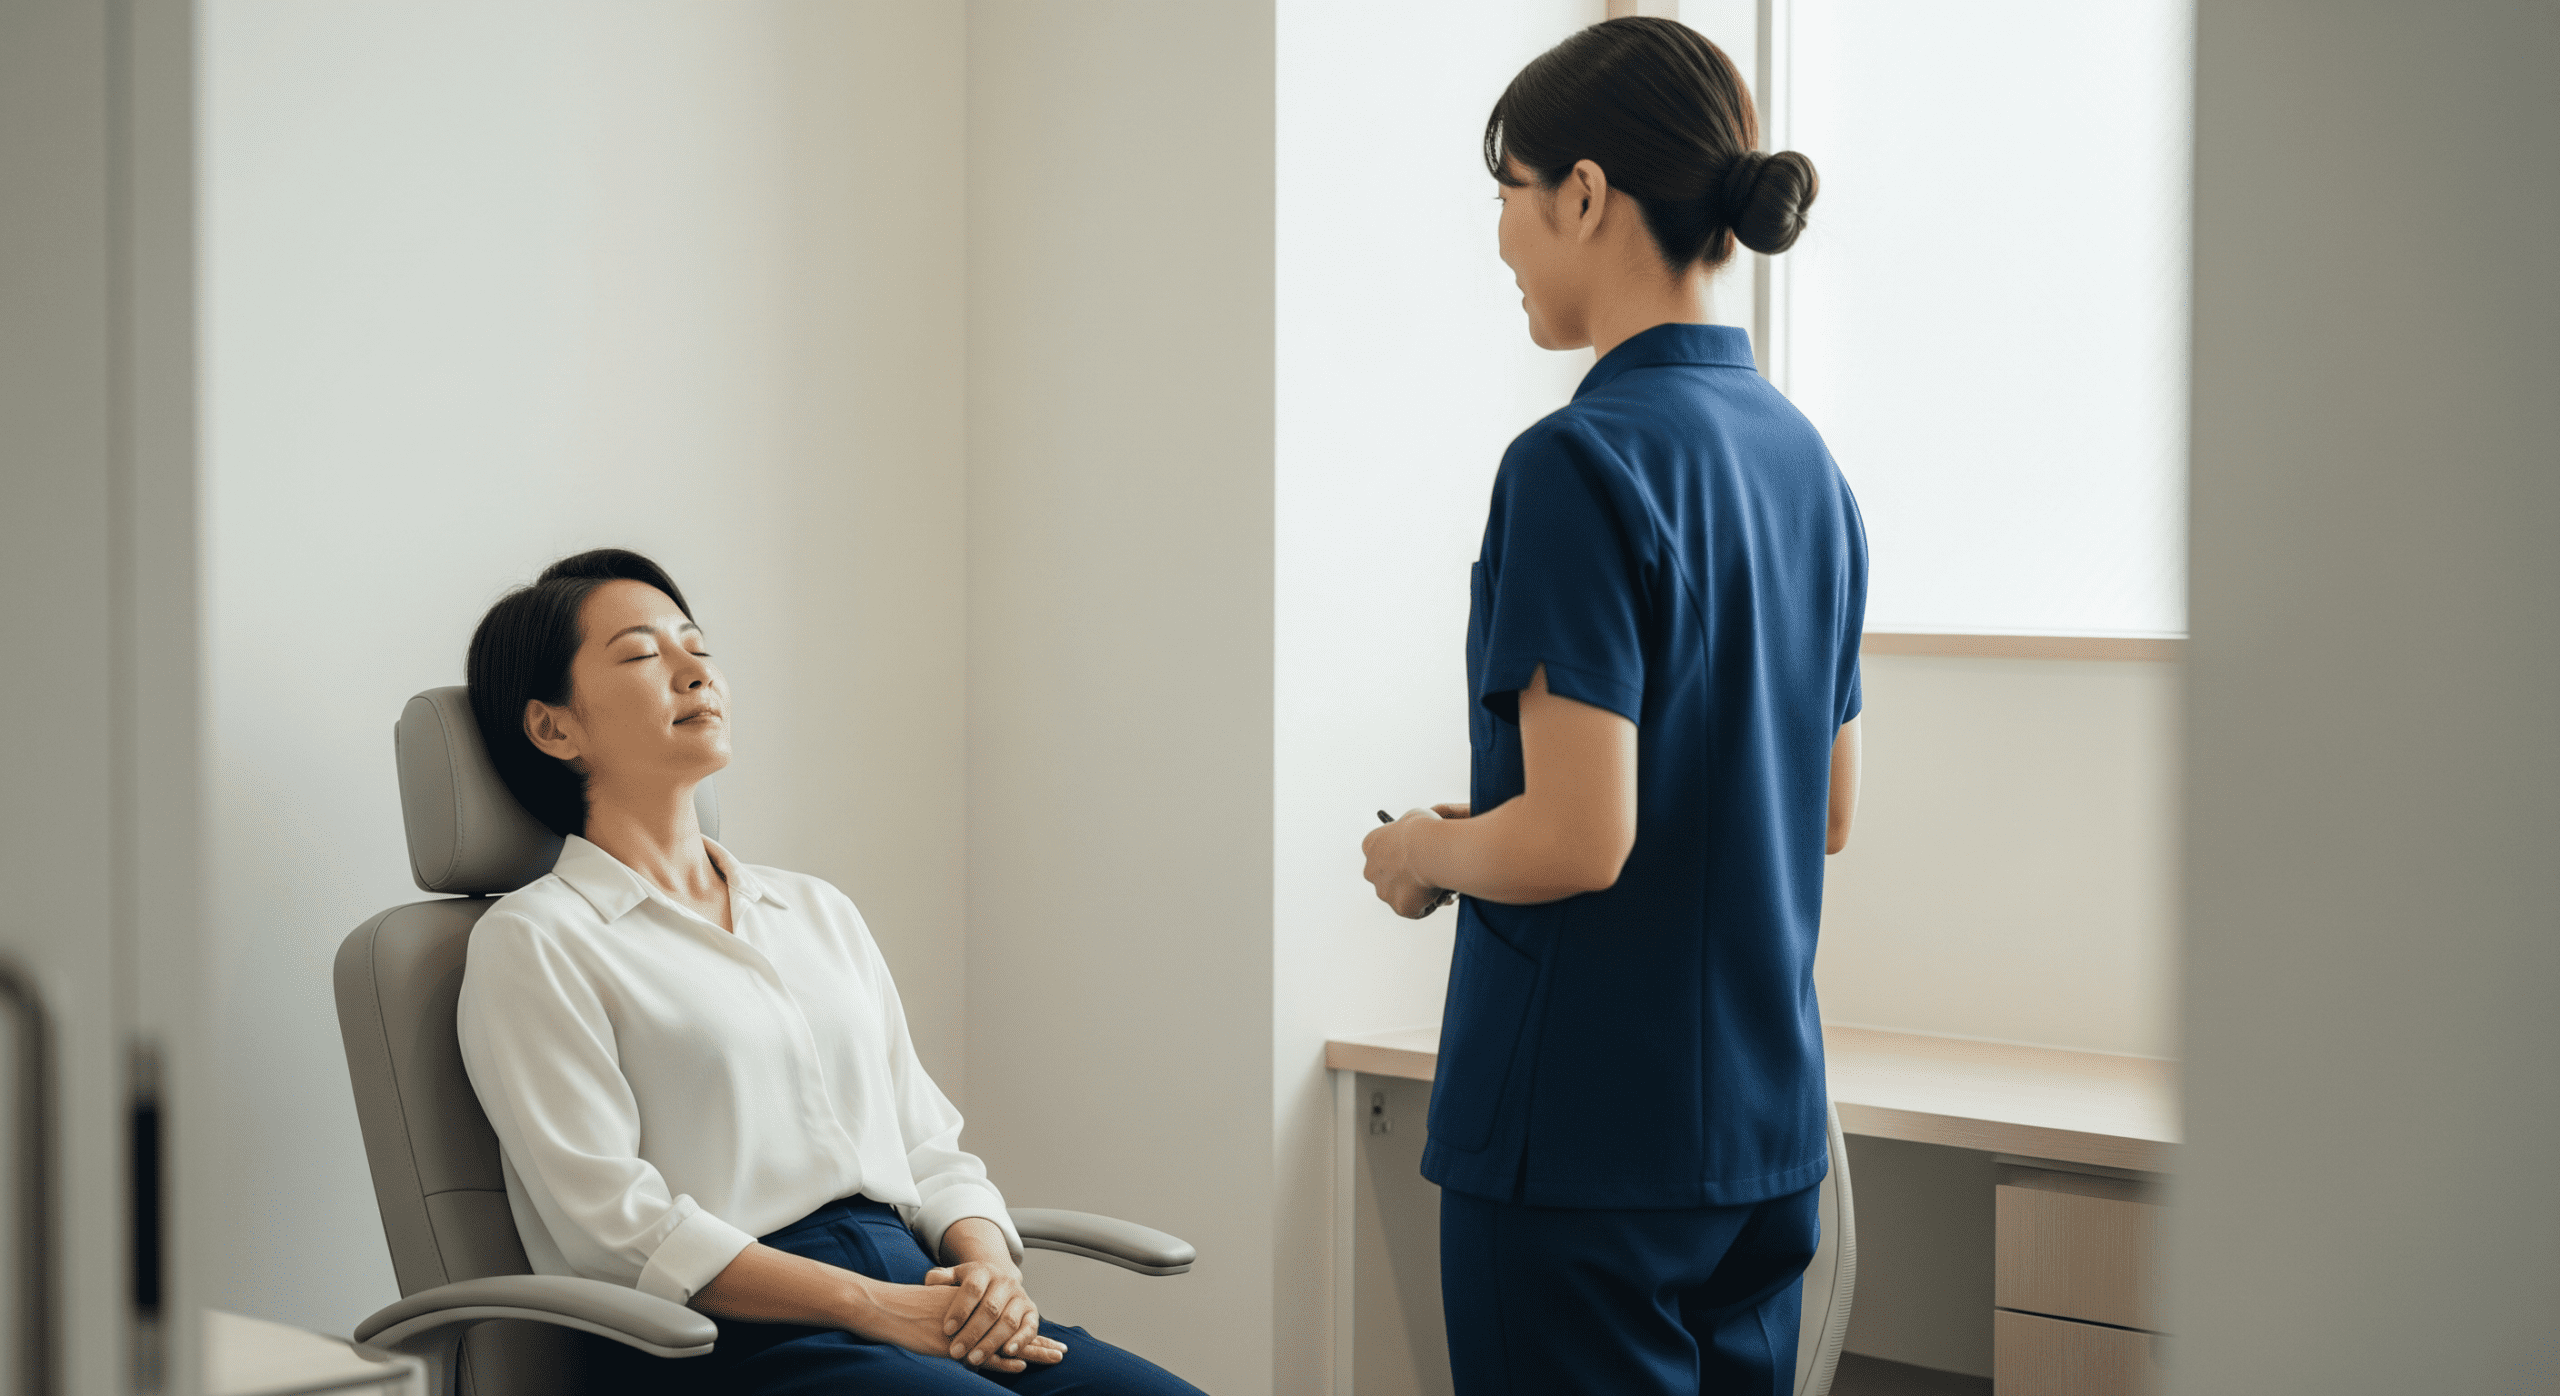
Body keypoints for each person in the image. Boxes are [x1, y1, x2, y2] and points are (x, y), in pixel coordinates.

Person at [1357, 18, 1866, 1395]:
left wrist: (1423, 849)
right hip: (1761, 1145)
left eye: (1508, 194)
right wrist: (1506, 827)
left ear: (1583, 194)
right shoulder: (1808, 466)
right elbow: (1820, 810)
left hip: (1584, 1153)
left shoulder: (1576, 463)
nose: (1501, 240)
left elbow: (1581, 840)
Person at [455, 549, 1202, 1396]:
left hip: (913, 1281)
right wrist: (872, 1307)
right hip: (726, 1335)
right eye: (640, 654)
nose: (694, 670)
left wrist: (990, 1272)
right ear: (554, 728)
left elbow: (926, 1147)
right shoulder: (537, 940)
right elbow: (615, 1227)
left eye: (697, 645)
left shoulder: (814, 911)